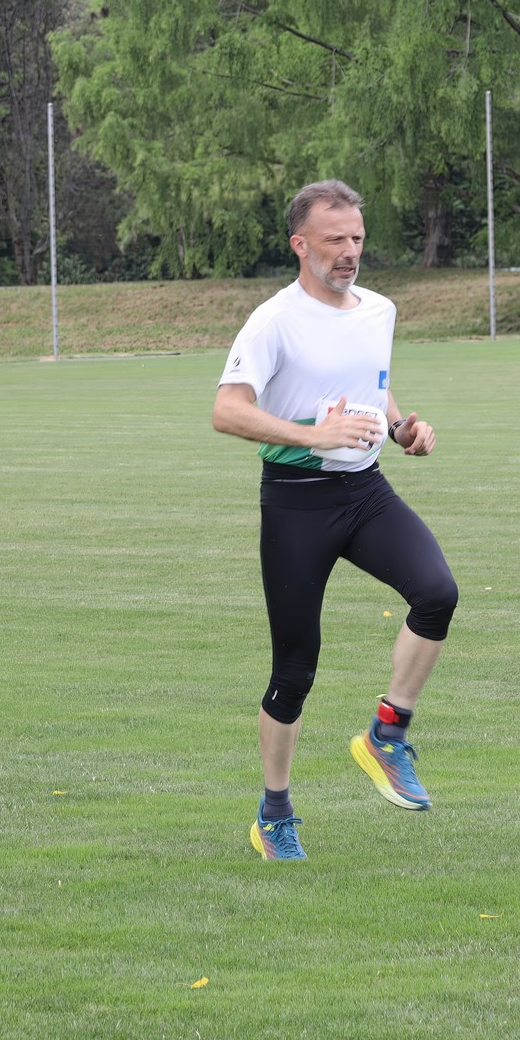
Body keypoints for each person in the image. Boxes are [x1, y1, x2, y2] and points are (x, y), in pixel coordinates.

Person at [212, 179, 457, 862]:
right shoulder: (273, 321)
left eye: (357, 239)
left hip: (365, 492)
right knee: (295, 670)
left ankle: (387, 735)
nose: (349, 252)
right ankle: (275, 813)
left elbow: (372, 383)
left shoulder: (379, 310)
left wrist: (403, 428)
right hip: (296, 502)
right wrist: (312, 435)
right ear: (300, 244)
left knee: (437, 593)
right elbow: (227, 410)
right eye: (334, 240)